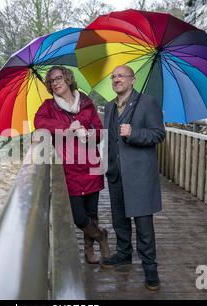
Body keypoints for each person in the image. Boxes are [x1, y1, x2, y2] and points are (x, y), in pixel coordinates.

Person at [34, 66, 110, 264]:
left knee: (92, 213)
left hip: (92, 166)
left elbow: (100, 132)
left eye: (58, 78)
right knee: (78, 216)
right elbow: (39, 123)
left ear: (68, 79)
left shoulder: (86, 103)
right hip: (70, 170)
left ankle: (89, 250)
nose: (55, 83)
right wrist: (67, 128)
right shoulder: (49, 107)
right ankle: (101, 236)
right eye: (51, 81)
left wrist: (88, 132)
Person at [101, 65, 165, 291]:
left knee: (143, 225)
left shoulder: (148, 103)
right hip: (116, 174)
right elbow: (108, 139)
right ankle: (123, 254)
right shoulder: (109, 107)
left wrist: (134, 133)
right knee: (119, 220)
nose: (116, 79)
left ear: (133, 79)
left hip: (139, 175)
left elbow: (159, 134)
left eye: (121, 76)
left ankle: (150, 270)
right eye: (113, 77)